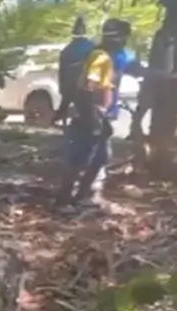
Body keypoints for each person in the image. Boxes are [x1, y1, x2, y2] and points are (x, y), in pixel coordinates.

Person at [59, 18, 170, 210]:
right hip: (92, 114)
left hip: (92, 113)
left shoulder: (113, 55)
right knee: (85, 157)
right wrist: (94, 116)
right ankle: (67, 199)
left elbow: (142, 71)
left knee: (97, 157)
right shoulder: (103, 57)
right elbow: (88, 86)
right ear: (123, 37)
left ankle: (80, 196)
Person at [54, 16, 97, 126]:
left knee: (67, 102)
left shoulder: (68, 49)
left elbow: (62, 71)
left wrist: (62, 87)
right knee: (85, 107)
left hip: (72, 83)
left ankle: (60, 117)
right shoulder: (91, 47)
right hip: (82, 84)